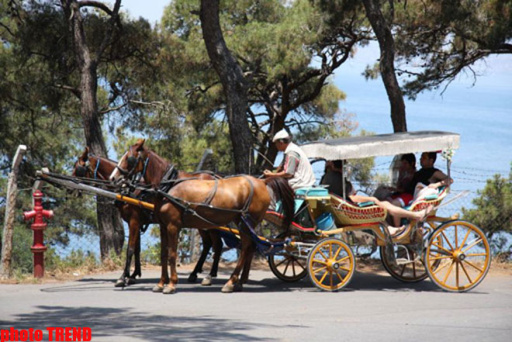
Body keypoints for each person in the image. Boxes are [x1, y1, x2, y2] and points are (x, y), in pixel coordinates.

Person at [344, 180, 433, 236]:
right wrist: (372, 199)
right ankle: (416, 215)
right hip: (355, 211)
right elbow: (352, 198)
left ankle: (390, 227)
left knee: (385, 203)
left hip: (352, 210)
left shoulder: (338, 181)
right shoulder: (341, 182)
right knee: (386, 205)